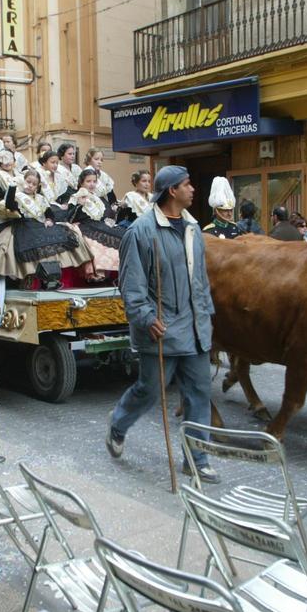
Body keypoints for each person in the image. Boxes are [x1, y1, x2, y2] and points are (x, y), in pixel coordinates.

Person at [106, 165, 219, 483]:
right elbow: (130, 286)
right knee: (150, 391)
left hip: (195, 330)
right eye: (187, 184)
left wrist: (207, 318)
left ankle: (196, 458)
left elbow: (201, 280)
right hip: (161, 329)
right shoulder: (141, 231)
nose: (193, 189)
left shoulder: (194, 229)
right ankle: (118, 425)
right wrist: (145, 318)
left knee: (198, 394)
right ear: (172, 190)